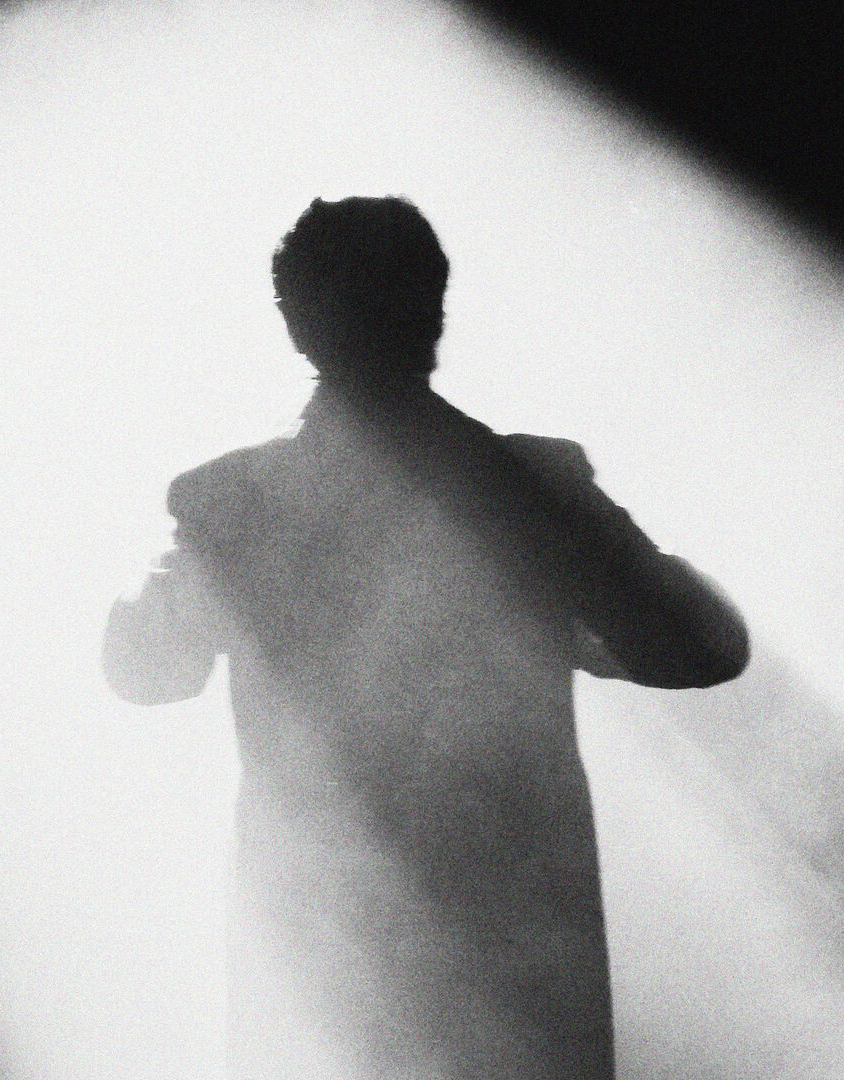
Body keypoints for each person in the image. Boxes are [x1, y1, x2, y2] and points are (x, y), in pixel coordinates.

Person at [103, 196, 749, 1080]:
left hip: (325, 969)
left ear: (295, 325)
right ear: (435, 307)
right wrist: (585, 548)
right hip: (515, 973)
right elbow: (701, 648)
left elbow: (143, 670)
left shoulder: (232, 503)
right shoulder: (529, 487)